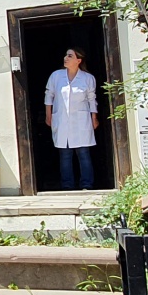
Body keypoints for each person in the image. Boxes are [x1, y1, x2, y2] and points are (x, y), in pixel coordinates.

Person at [45, 46, 100, 190]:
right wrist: (48, 115)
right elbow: (49, 96)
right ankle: (67, 185)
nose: (66, 58)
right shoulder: (56, 76)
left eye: (70, 56)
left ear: (78, 60)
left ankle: (87, 184)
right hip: (62, 119)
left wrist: (94, 117)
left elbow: (91, 99)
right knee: (65, 154)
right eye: (66, 55)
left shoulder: (88, 78)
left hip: (82, 121)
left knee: (83, 153)